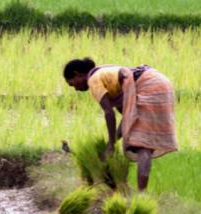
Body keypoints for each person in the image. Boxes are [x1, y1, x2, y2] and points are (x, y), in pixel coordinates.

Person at [63, 57, 178, 192]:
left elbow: (109, 113)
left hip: (149, 86)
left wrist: (111, 144)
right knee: (140, 142)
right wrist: (113, 141)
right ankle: (140, 192)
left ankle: (142, 194)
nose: (75, 89)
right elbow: (127, 119)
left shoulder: (93, 80)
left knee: (142, 145)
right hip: (160, 82)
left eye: (72, 84)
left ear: (77, 74)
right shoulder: (107, 74)